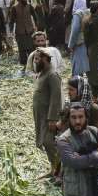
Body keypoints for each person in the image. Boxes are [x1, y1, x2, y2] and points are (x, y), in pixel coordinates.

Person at [32, 48, 64, 180]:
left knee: (49, 142)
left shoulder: (52, 75)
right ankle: (53, 170)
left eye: (37, 59)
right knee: (46, 143)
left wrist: (52, 119)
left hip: (48, 117)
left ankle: (59, 172)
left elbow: (56, 98)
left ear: (45, 59)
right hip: (41, 116)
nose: (35, 61)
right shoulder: (42, 73)